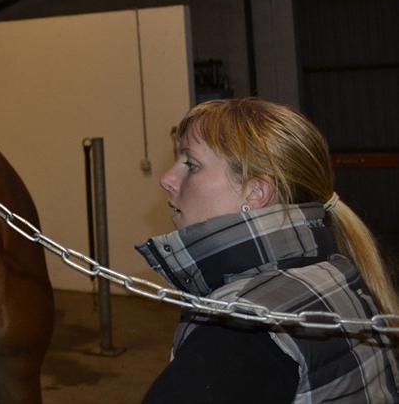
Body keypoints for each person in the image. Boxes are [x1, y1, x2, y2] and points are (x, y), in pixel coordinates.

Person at [137, 97, 399, 403]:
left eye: (191, 165)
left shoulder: (240, 330)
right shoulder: (339, 269)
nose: (166, 179)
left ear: (256, 191)